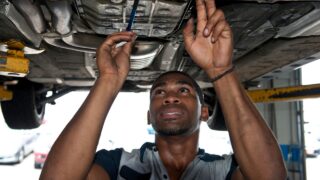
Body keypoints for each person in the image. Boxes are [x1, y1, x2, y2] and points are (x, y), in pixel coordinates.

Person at [40, 0, 287, 179]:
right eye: (159, 92)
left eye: (184, 91)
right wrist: (108, 80)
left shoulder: (222, 171)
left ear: (205, 112)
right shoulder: (117, 165)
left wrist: (221, 70)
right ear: (149, 115)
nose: (170, 97)